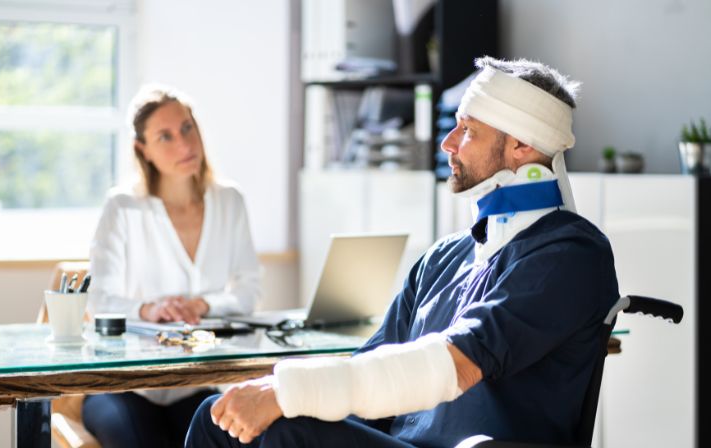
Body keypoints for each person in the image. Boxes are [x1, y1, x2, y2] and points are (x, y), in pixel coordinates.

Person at [185, 56, 620, 448]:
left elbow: (458, 364)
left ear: (523, 146)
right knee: (217, 419)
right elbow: (371, 367)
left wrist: (289, 392)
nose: (448, 143)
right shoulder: (444, 258)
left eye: (467, 130)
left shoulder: (571, 254)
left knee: (286, 428)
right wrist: (275, 396)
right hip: (397, 442)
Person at [83, 84, 262, 448]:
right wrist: (151, 309)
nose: (184, 144)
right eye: (165, 136)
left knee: (237, 437)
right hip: (124, 387)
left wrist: (203, 305)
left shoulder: (229, 201)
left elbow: (249, 291)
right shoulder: (123, 207)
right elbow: (98, 300)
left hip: (195, 382)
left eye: (187, 127)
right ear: (142, 150)